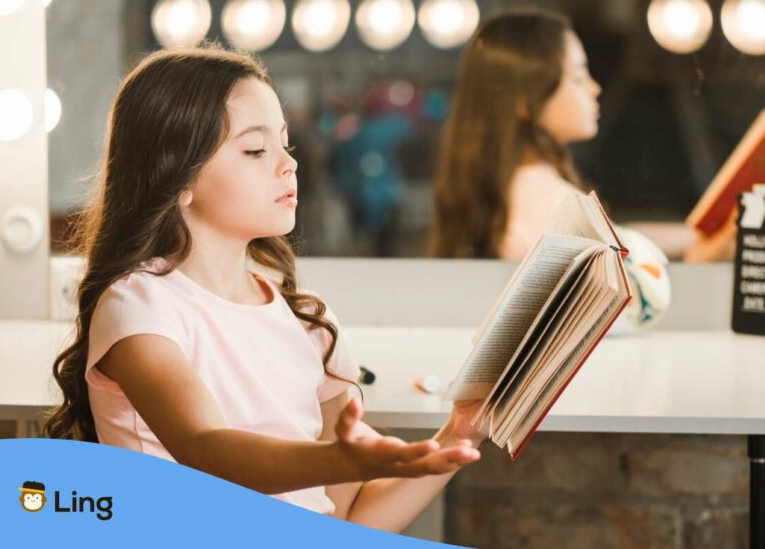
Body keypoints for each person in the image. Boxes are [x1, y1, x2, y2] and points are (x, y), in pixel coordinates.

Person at [43, 45, 483, 531]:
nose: (288, 164)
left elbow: (344, 523)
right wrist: (349, 459)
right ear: (179, 176)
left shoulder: (310, 324)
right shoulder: (140, 307)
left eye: (285, 144)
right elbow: (207, 449)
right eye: (256, 149)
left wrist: (459, 433)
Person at [430, 10, 734, 262]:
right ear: (525, 101)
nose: (594, 88)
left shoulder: (508, 185)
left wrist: (697, 235)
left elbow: (618, 237)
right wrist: (705, 254)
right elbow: (628, 284)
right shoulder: (545, 197)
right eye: (578, 77)